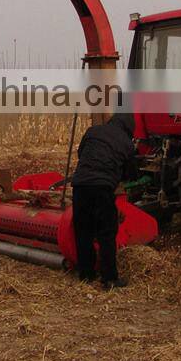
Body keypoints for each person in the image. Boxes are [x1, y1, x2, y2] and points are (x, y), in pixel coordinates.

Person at [71, 112, 138, 290]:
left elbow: (81, 153)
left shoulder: (92, 131)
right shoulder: (127, 143)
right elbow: (131, 174)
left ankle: (86, 273)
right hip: (102, 188)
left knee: (83, 231)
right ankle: (109, 279)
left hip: (79, 185)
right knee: (106, 233)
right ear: (129, 129)